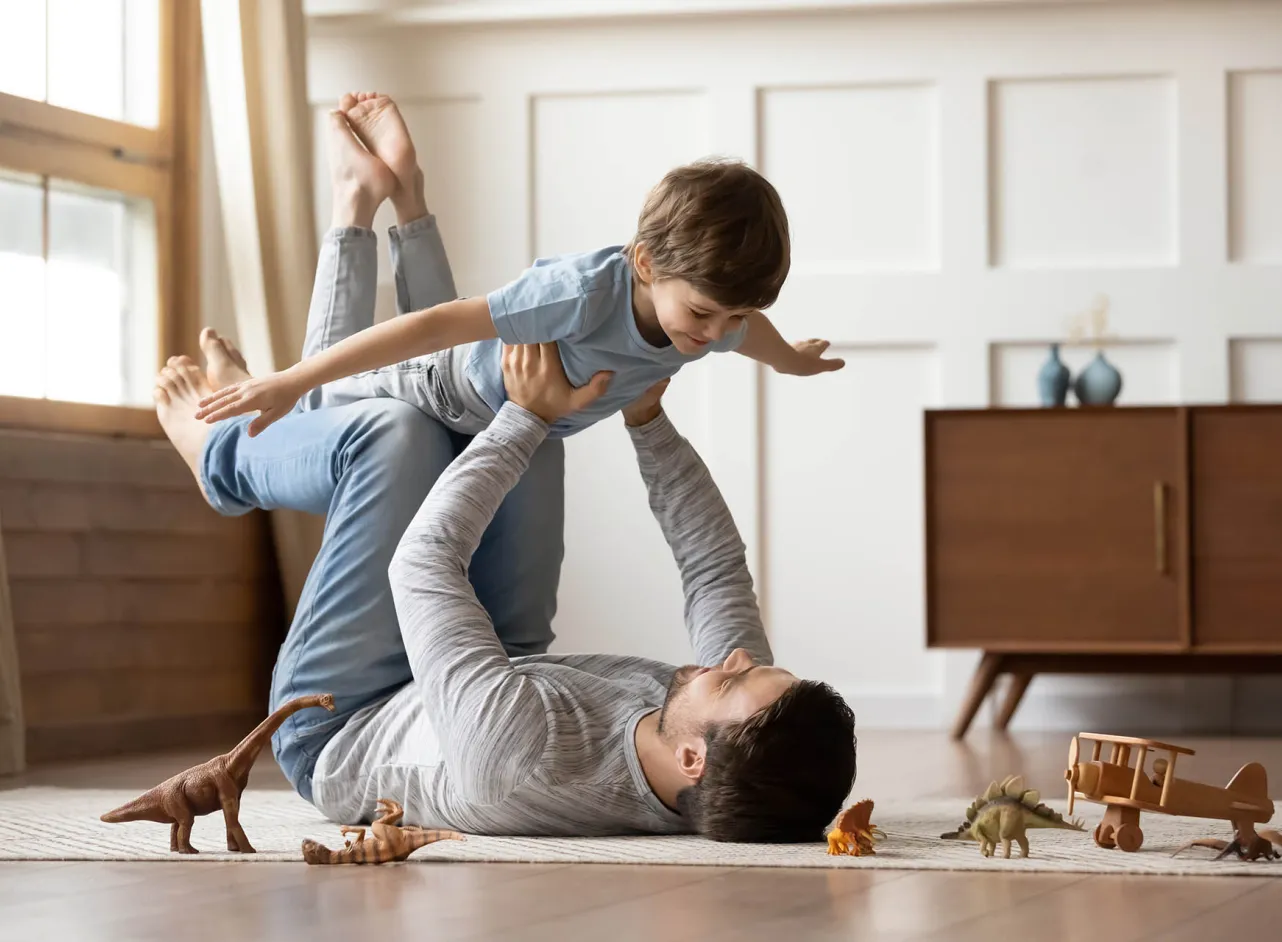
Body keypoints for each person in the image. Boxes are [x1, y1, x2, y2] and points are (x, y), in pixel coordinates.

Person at [154, 331, 857, 843]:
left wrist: (526, 417)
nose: (732, 659)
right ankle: (279, 397)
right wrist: (646, 418)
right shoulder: (725, 733)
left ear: (693, 760)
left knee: (397, 438)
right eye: (753, 666)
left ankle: (219, 452)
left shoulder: (523, 760)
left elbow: (420, 564)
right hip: (500, 666)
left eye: (735, 681)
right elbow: (713, 567)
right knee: (533, 422)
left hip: (345, 717)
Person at [193, 93, 845, 441]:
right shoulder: (583, 294)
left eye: (732, 315)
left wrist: (790, 358)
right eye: (704, 313)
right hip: (443, 386)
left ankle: (405, 189)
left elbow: (748, 333)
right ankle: (263, 372)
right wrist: (291, 380)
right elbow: (435, 327)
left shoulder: (714, 316)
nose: (715, 332)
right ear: (645, 263)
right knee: (316, 409)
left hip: (487, 399)